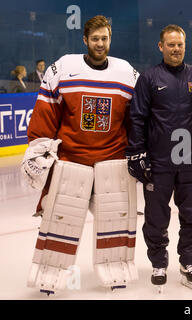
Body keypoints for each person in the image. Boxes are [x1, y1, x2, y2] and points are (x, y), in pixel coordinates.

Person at [22, 15, 139, 295]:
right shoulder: (64, 67)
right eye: (95, 39)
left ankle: (115, 272)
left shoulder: (126, 73)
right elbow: (46, 112)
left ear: (111, 39)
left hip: (112, 160)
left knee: (116, 222)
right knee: (59, 222)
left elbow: (137, 119)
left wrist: (139, 152)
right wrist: (39, 149)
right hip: (71, 160)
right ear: (85, 40)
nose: (100, 44)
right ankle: (48, 276)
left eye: (105, 38)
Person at [126, 24, 192, 292]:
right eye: (170, 44)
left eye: (180, 44)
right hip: (158, 162)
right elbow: (137, 117)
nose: (176, 49)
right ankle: (158, 263)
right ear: (161, 46)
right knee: (156, 216)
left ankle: (189, 262)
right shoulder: (149, 78)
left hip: (190, 159)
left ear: (184, 46)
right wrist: (136, 151)